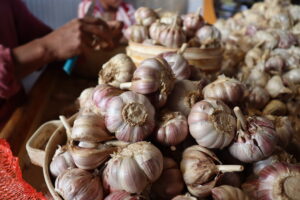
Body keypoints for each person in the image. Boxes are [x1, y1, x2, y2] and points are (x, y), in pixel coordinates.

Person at [0, 0, 113, 126]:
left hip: (20, 114)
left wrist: (91, 37)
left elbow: (51, 41)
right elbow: (50, 44)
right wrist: (47, 47)